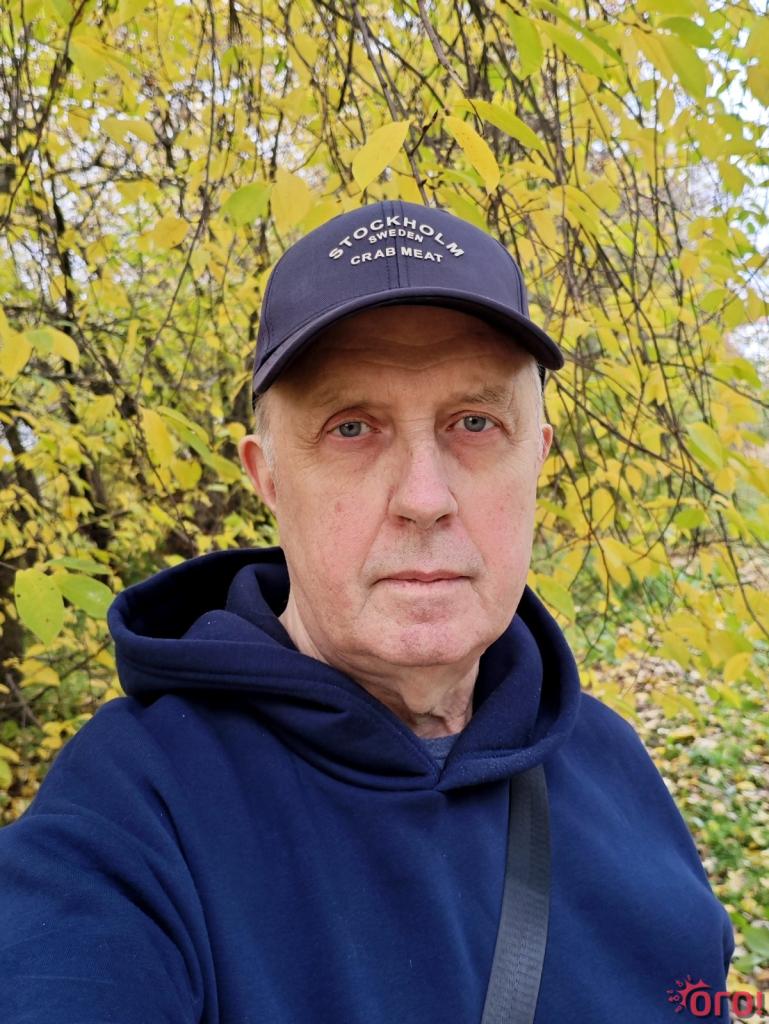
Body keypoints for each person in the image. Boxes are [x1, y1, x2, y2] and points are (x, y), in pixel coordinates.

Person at [0, 199, 733, 1023]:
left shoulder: (611, 763)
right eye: (351, 427)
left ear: (536, 457)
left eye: (475, 423)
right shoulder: (131, 811)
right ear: (267, 477)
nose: (424, 497)